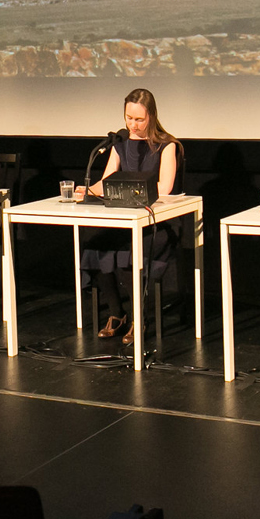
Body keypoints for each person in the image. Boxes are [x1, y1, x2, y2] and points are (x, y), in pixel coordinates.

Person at [80, 88, 183, 345]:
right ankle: (117, 313)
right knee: (94, 247)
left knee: (129, 251)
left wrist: (131, 189)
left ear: (151, 116)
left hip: (157, 222)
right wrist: (88, 190)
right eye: (129, 118)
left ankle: (140, 318)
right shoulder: (120, 143)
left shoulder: (167, 145)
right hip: (124, 220)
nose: (133, 125)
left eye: (139, 119)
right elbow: (107, 181)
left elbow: (165, 187)